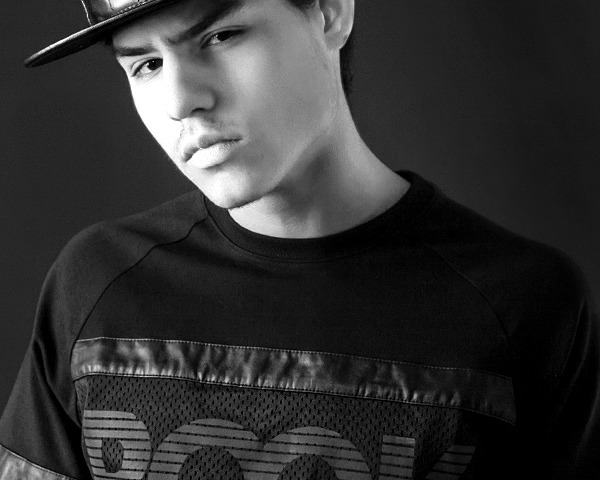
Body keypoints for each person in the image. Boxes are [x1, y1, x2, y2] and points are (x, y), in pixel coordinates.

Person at [1, 0, 599, 478]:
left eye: (221, 36)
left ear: (331, 11)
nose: (181, 101)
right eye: (146, 65)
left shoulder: (522, 304)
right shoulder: (97, 285)